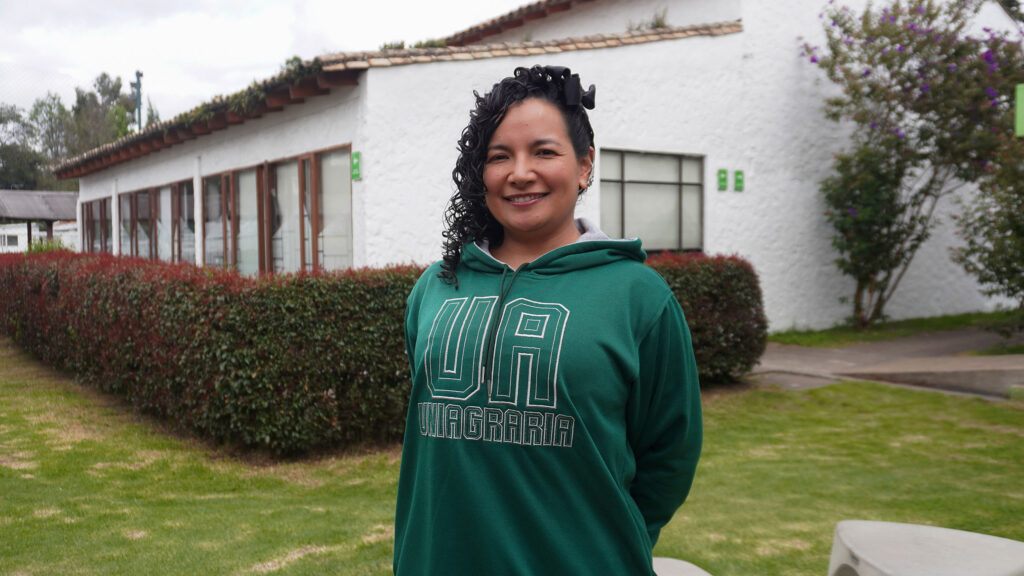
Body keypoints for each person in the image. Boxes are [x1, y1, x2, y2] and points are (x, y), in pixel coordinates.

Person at [394, 65, 702, 575]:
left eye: (543, 151)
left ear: (584, 165)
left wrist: (609, 542)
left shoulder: (638, 296)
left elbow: (670, 453)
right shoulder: (436, 286)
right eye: (499, 156)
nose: (520, 173)